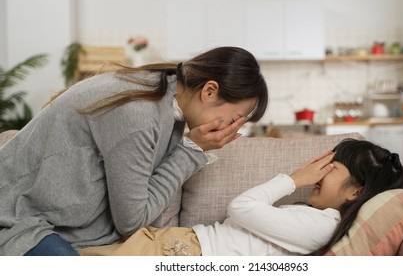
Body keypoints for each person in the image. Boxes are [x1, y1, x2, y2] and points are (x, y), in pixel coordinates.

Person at [0, 46, 268, 256]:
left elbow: (143, 201)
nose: (233, 127)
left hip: (41, 217)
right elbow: (132, 222)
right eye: (236, 117)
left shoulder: (162, 92)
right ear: (210, 91)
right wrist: (193, 149)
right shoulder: (139, 113)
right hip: (15, 216)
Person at [78, 138, 403, 256]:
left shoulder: (321, 226)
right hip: (181, 245)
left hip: (187, 254)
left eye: (331, 168)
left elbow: (241, 208)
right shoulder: (313, 217)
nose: (318, 174)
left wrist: (294, 179)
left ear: (356, 191)